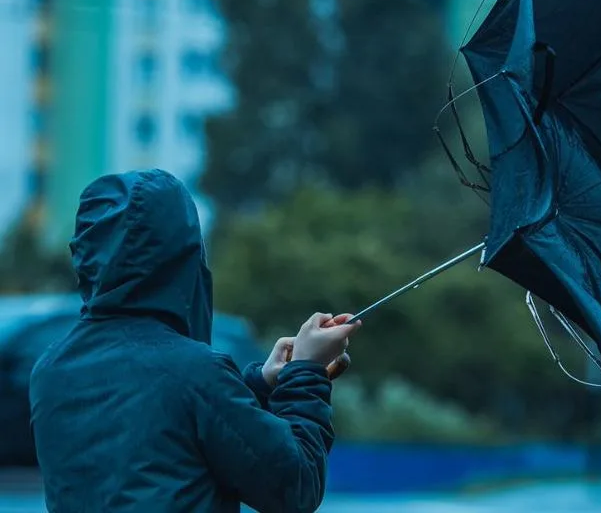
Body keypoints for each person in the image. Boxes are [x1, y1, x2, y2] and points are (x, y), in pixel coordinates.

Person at [29, 169, 361, 513]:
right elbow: (296, 486)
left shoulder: (50, 371)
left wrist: (259, 382)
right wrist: (306, 372)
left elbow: (161, 426)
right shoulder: (195, 373)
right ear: (184, 257)